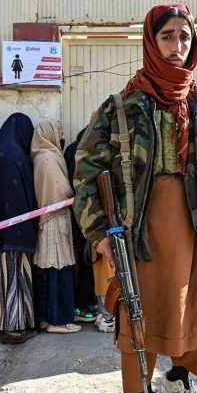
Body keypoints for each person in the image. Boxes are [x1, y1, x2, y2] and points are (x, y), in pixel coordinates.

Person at [73, 5, 197, 393]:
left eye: (184, 37)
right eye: (167, 37)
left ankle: (180, 382)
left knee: (196, 310)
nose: (176, 46)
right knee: (142, 313)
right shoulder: (122, 108)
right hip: (140, 234)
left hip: (196, 229)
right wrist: (99, 235)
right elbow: (86, 173)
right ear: (151, 41)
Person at [0, 113, 39, 345]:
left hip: (5, 229)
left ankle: (13, 323)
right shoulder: (12, 155)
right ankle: (11, 327)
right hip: (14, 229)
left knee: (9, 275)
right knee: (12, 276)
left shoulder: (3, 153)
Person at [30, 119, 82, 334]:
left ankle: (46, 318)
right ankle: (58, 320)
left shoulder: (41, 156)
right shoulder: (50, 159)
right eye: (57, 131)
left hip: (48, 220)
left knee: (47, 269)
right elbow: (61, 190)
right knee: (58, 270)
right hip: (55, 220)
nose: (60, 135)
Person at [64, 125, 112, 332]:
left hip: (84, 217)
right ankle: (105, 312)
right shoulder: (99, 153)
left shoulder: (73, 149)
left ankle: (93, 308)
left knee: (91, 263)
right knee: (102, 266)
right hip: (100, 220)